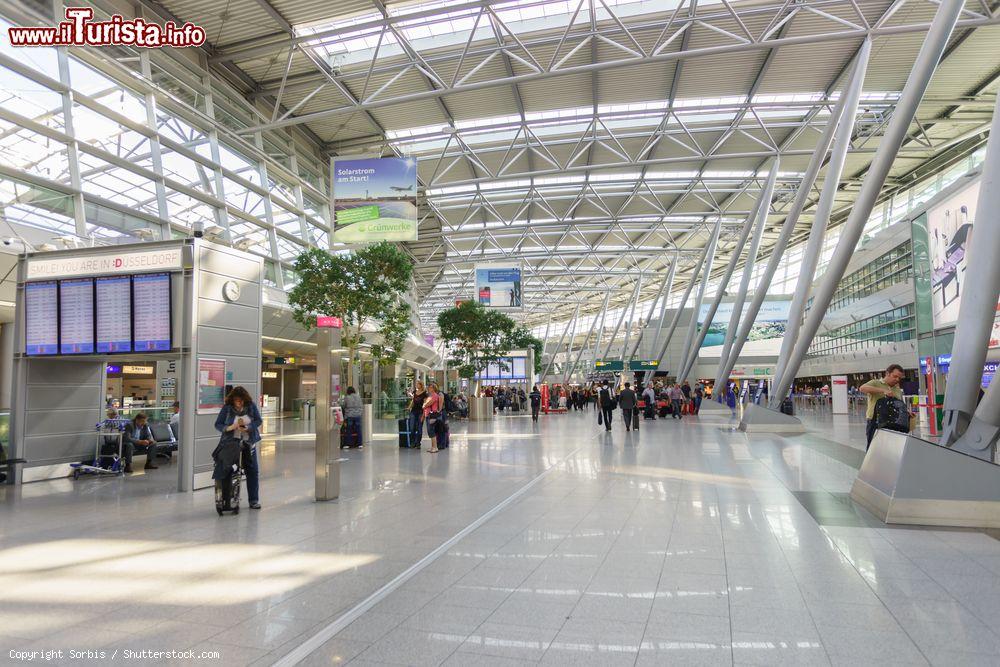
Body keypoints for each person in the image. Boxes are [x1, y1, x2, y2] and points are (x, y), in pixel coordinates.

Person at [214, 386, 263, 509]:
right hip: (231, 442)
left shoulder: (250, 406)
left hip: (248, 441)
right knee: (229, 469)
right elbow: (218, 424)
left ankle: (253, 500)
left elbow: (258, 420)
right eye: (237, 400)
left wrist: (249, 427)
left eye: (241, 401)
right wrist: (229, 428)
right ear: (232, 400)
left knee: (252, 470)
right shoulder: (227, 408)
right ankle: (229, 499)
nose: (239, 403)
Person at [860, 364, 906, 449]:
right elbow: (862, 388)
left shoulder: (897, 389)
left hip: (892, 424)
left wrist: (907, 412)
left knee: (889, 450)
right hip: (875, 423)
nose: (897, 380)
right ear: (887, 373)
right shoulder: (875, 383)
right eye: (895, 376)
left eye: (899, 378)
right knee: (873, 449)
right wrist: (883, 390)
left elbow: (899, 404)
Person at [423, 383, 445, 453]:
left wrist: (424, 405)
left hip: (431, 415)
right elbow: (425, 403)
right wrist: (424, 405)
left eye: (431, 387)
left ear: (434, 388)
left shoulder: (435, 395)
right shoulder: (430, 395)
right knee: (430, 431)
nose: (429, 388)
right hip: (428, 415)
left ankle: (435, 447)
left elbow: (427, 404)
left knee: (431, 431)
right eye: (428, 387)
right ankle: (433, 447)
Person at [409, 381, 427, 447]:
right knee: (412, 427)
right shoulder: (414, 392)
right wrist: (409, 407)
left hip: (420, 412)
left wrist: (424, 414)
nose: (416, 385)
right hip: (413, 411)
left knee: (419, 428)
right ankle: (413, 442)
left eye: (418, 384)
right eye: (416, 384)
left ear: (421, 385)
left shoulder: (424, 394)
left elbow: (425, 404)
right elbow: (413, 401)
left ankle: (418, 442)